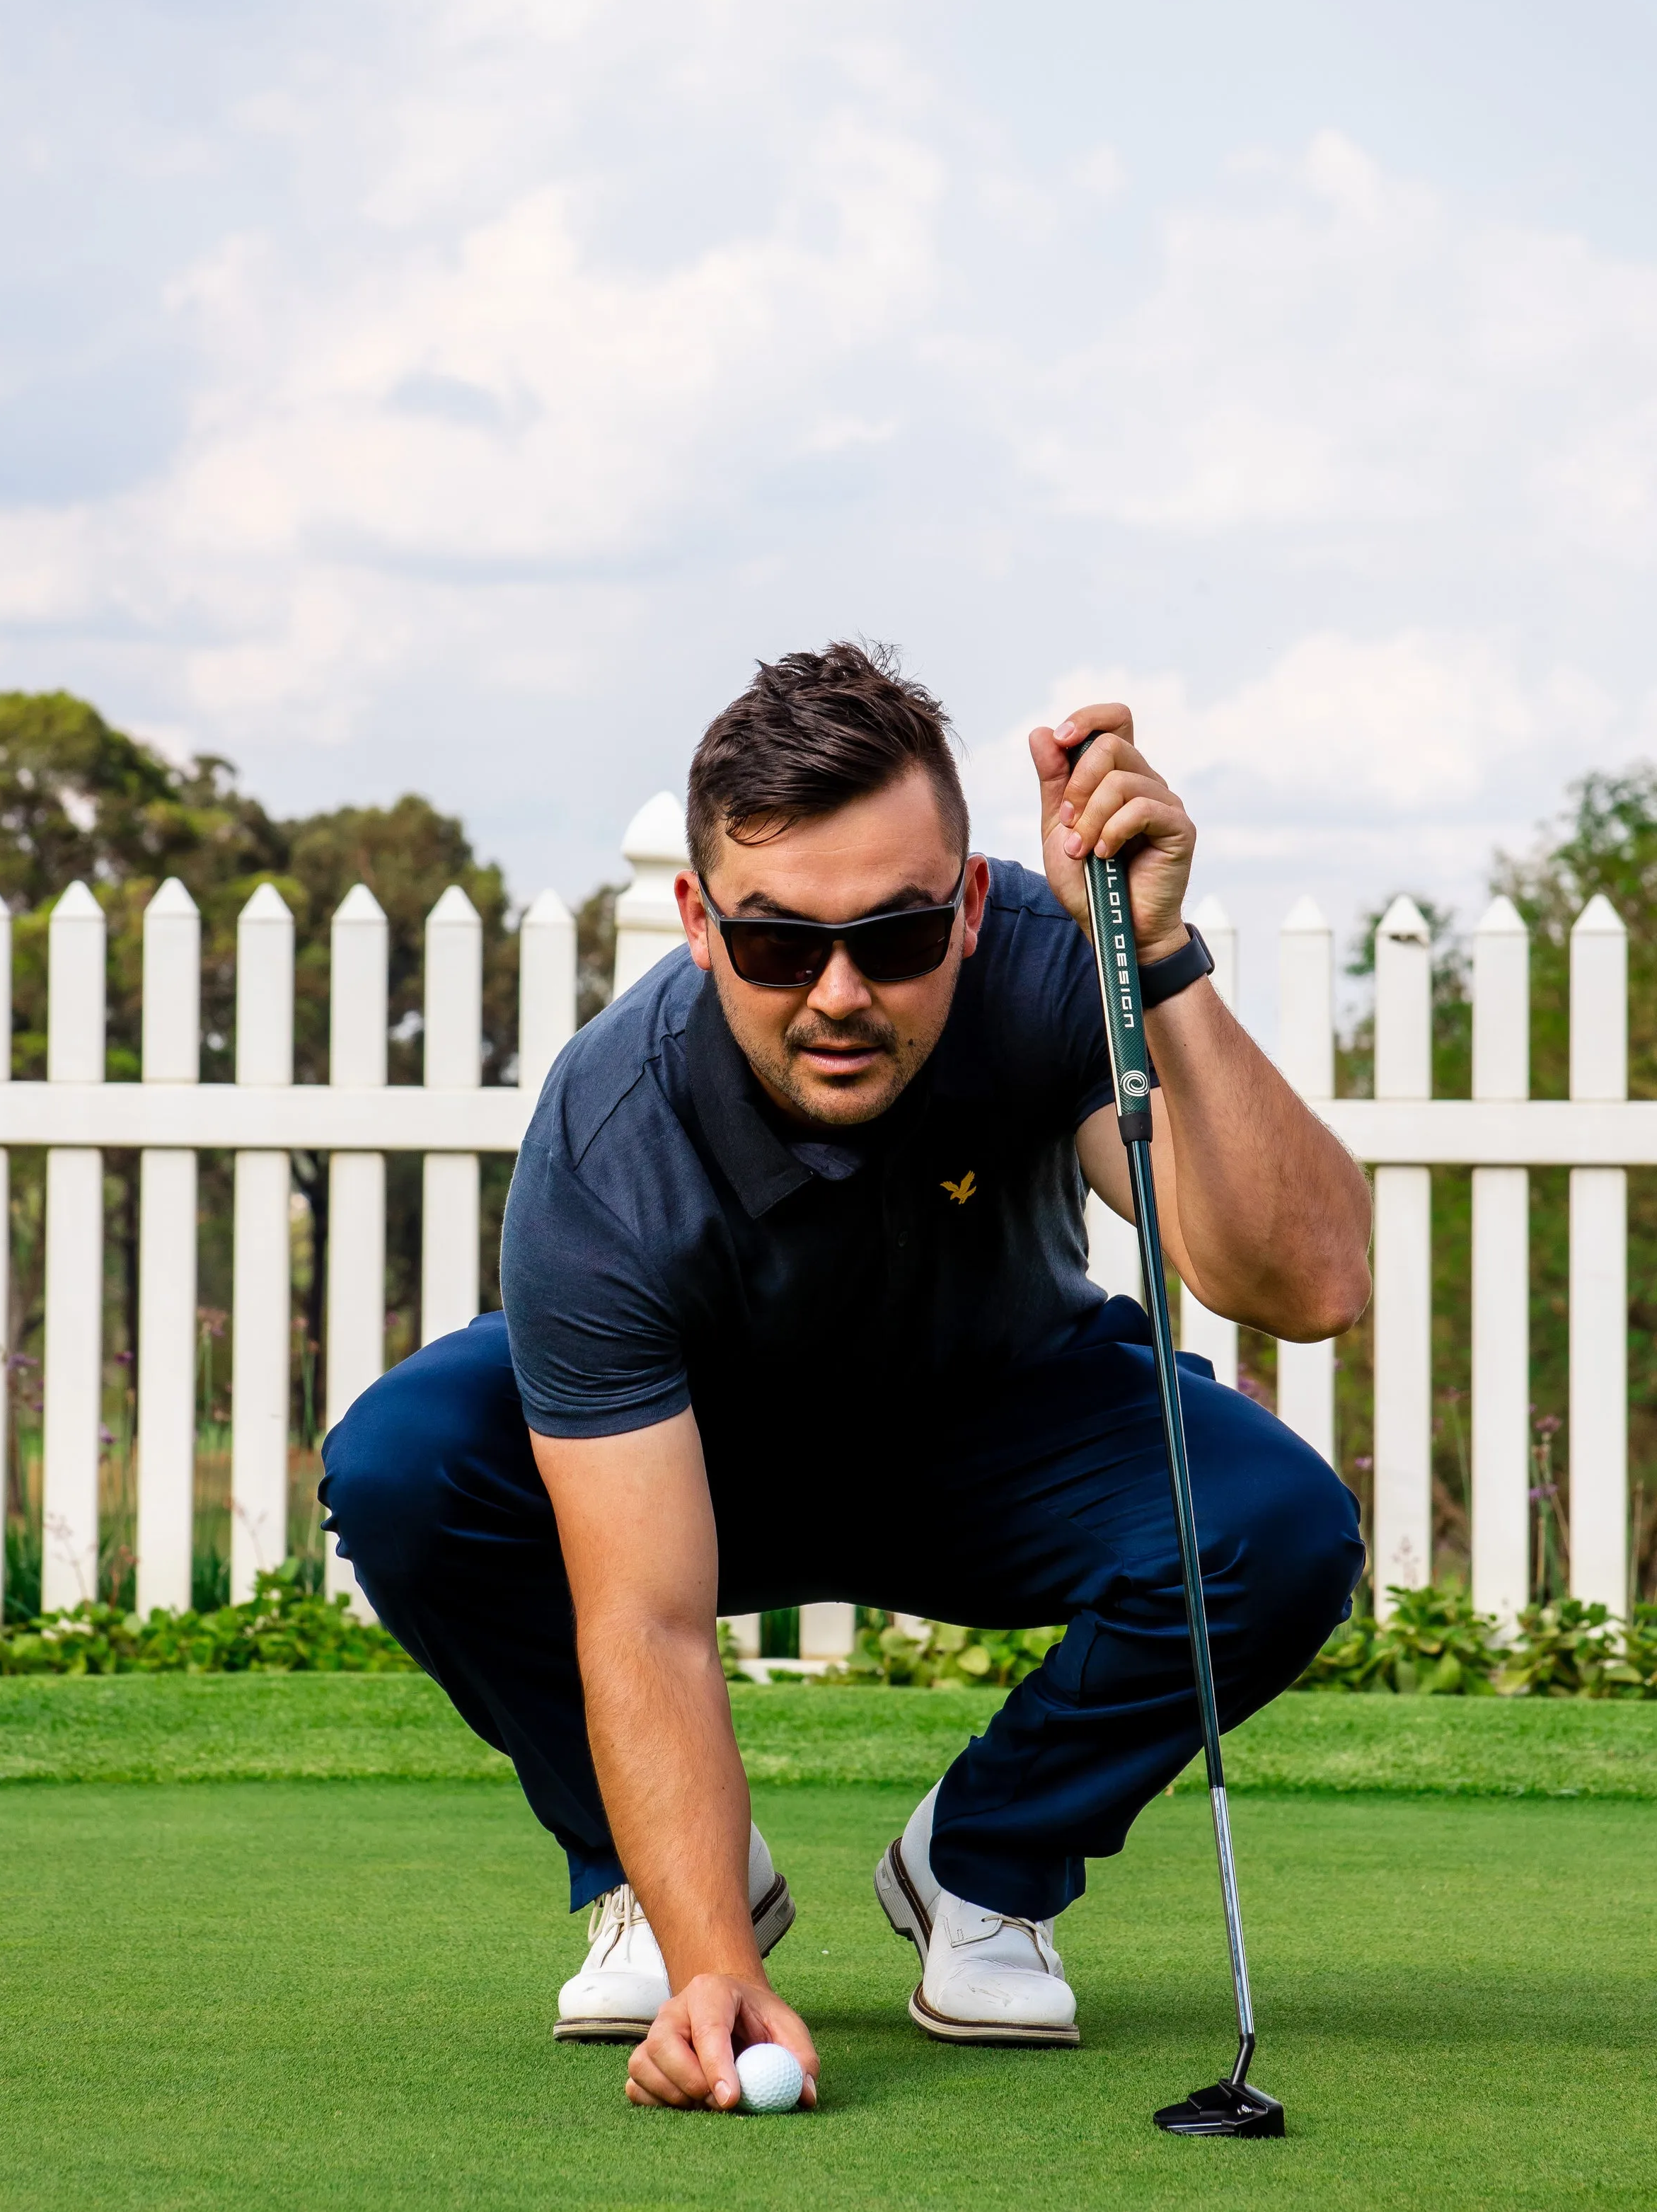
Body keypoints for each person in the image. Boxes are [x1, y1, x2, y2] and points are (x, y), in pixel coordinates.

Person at [321, 642, 1370, 2114]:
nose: (837, 993)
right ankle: (664, 1881)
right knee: (407, 1461)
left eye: (893, 937)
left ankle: (982, 1865)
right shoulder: (609, 1127)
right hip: (707, 1464)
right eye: (775, 944)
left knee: (1281, 1521)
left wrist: (1158, 958)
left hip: (1000, 1437)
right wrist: (709, 1970)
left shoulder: (1043, 968)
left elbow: (1305, 1283)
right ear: (695, 921)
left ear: (970, 902)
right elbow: (648, 1613)